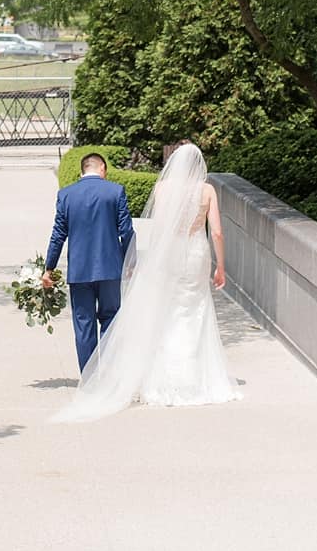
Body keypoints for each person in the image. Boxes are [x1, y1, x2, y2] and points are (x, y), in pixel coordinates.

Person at [53, 141, 238, 421]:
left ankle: (155, 378)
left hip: (170, 254)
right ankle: (197, 378)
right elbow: (219, 233)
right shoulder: (207, 190)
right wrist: (220, 265)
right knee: (194, 311)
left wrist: (149, 260)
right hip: (196, 254)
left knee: (167, 312)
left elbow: (160, 226)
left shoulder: (163, 189)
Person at [42, 151, 135, 371]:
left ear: (82, 170)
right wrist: (129, 262)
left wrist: (49, 268)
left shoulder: (66, 195)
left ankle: (89, 378)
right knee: (111, 320)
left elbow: (58, 234)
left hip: (80, 271)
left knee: (83, 325)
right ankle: (110, 378)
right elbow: (127, 231)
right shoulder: (115, 191)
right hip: (110, 269)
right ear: (102, 168)